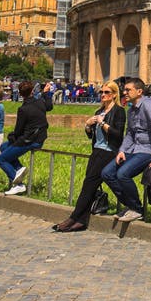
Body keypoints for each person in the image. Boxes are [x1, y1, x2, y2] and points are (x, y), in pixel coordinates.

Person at [53, 80, 126, 232]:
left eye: (107, 92)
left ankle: (73, 218)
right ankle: (81, 220)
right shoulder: (98, 112)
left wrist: (103, 124)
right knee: (89, 184)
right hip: (96, 151)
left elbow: (118, 135)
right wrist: (87, 126)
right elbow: (91, 136)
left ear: (114, 95)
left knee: (89, 184)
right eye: (102, 92)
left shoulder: (119, 111)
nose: (103, 95)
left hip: (108, 152)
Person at [102, 76, 151, 223]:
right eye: (124, 89)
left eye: (128, 90)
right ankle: (130, 205)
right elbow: (130, 133)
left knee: (123, 174)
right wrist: (122, 150)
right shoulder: (131, 110)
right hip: (132, 149)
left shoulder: (150, 106)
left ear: (139, 91)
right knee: (107, 173)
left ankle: (137, 209)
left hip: (147, 150)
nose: (124, 92)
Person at [0, 80, 53, 196]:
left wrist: (11, 137)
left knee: (1, 159)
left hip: (30, 141)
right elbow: (49, 106)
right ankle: (19, 169)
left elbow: (18, 130)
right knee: (3, 147)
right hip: (39, 138)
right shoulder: (39, 102)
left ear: (20, 94)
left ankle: (18, 184)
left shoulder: (23, 109)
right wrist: (46, 93)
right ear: (33, 91)